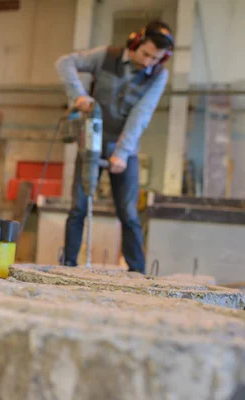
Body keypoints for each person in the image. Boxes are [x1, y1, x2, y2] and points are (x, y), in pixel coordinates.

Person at [54, 20, 173, 273]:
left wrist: (121, 153)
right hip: (91, 140)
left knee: (128, 213)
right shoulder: (106, 56)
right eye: (146, 54)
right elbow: (65, 62)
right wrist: (78, 96)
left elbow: (141, 114)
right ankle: (68, 266)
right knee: (78, 206)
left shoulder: (159, 75)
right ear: (135, 42)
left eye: (156, 58)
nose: (149, 62)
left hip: (125, 147)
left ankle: (138, 272)